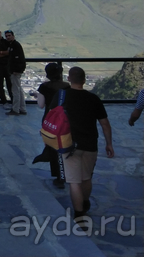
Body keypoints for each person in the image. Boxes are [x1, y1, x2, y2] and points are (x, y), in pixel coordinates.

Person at [55, 66, 114, 222]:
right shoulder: (93, 99)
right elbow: (105, 124)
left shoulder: (62, 96)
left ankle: (79, 213)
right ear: (84, 80)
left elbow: (51, 116)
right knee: (86, 178)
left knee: (74, 181)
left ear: (69, 79)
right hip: (89, 143)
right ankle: (85, 202)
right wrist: (109, 144)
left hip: (68, 143)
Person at [30, 63, 70, 188]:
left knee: (53, 146)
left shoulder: (44, 87)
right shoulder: (66, 86)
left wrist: (37, 96)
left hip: (50, 119)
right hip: (64, 119)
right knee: (64, 146)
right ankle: (64, 174)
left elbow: (41, 105)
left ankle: (58, 175)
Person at [5, 30, 27, 115]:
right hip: (16, 71)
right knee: (19, 89)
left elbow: (18, 59)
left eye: (9, 35)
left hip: (15, 72)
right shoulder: (12, 45)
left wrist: (16, 70)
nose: (8, 37)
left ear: (13, 36)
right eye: (6, 36)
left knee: (15, 91)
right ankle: (22, 108)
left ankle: (15, 109)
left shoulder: (15, 45)